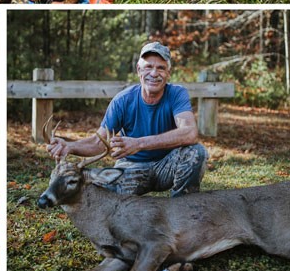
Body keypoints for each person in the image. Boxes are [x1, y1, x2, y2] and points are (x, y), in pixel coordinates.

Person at [48, 41, 208, 197]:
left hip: (167, 165)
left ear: (168, 73)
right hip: (132, 167)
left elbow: (190, 133)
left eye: (161, 68)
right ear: (139, 70)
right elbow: (98, 143)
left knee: (196, 152)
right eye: (148, 67)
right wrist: (70, 146)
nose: (154, 73)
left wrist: (139, 143)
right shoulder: (123, 100)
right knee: (103, 191)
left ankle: (182, 210)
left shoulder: (177, 94)